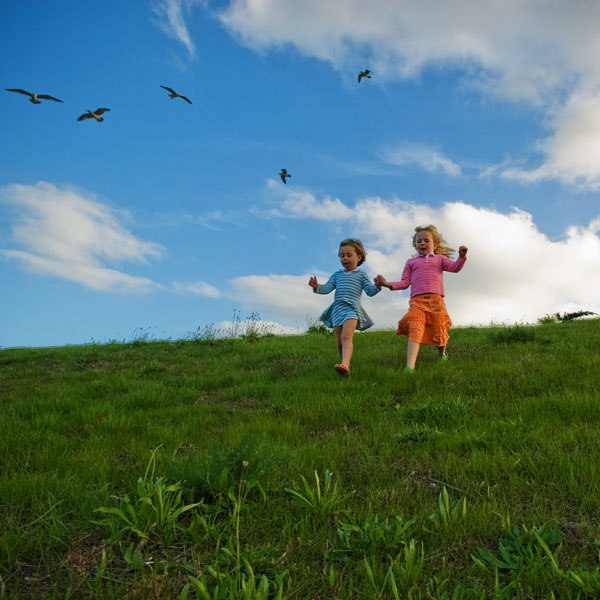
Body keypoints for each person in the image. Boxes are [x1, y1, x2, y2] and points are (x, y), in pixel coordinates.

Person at [375, 225, 468, 372]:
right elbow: (405, 283)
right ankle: (410, 367)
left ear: (435, 245)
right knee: (415, 327)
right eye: (419, 241)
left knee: (439, 331)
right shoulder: (411, 263)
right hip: (417, 302)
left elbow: (454, 268)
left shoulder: (439, 259)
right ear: (415, 245)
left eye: (426, 240)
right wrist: (387, 284)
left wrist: (461, 258)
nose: (422, 243)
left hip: (436, 301)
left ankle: (441, 354)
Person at [309, 238, 381, 376]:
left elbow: (370, 291)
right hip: (337, 310)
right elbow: (327, 288)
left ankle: (346, 364)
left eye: (349, 255)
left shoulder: (361, 275)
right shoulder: (337, 275)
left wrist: (377, 285)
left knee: (346, 336)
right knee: (339, 342)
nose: (345, 258)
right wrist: (317, 287)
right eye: (342, 256)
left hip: (352, 309)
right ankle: (343, 365)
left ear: (358, 257)